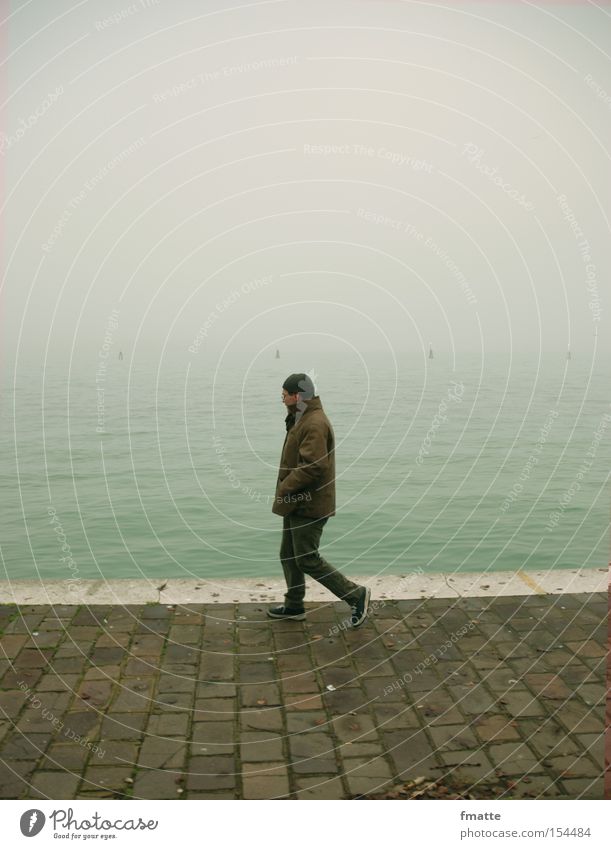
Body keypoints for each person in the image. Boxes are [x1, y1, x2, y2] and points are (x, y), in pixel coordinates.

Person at [267, 372, 371, 627]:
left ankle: (356, 595)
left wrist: (285, 487)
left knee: (307, 558)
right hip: (296, 500)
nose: (281, 399)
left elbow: (314, 465)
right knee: (288, 554)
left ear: (298, 396)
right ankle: (294, 605)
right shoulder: (301, 417)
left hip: (309, 503)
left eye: (284, 395)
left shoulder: (314, 422)